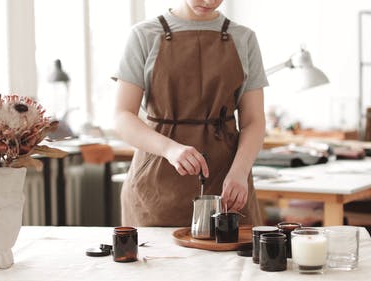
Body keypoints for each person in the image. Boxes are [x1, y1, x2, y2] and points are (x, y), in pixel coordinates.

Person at [113, 0, 268, 227]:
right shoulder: (143, 35)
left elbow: (253, 121)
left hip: (227, 178)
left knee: (233, 261)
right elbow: (122, 116)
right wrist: (170, 149)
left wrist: (240, 172)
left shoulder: (244, 38)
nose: (209, 1)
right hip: (157, 183)